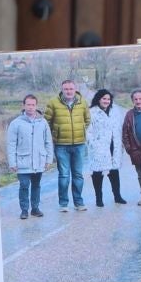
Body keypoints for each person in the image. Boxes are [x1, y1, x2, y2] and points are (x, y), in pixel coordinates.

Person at [5, 94, 52, 220]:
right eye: (28, 105)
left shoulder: (42, 122)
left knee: (36, 185)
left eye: (33, 105)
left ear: (36, 106)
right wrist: (12, 163)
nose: (31, 107)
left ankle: (35, 209)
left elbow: (48, 142)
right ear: (23, 105)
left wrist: (48, 160)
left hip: (39, 161)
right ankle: (24, 210)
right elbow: (11, 144)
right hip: (22, 161)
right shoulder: (16, 123)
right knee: (24, 185)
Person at [45, 79, 88, 212]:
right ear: (62, 90)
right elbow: (47, 122)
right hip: (61, 145)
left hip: (79, 145)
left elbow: (87, 120)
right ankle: (63, 204)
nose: (68, 91)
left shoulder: (83, 102)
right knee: (64, 175)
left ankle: (79, 202)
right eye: (66, 89)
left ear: (75, 89)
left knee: (78, 175)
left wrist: (80, 130)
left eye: (71, 89)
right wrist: (55, 134)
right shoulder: (53, 102)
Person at [83, 88, 126, 208]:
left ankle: (117, 196)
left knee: (114, 170)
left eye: (108, 99)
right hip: (99, 146)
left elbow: (120, 126)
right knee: (97, 172)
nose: (106, 101)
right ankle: (99, 198)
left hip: (114, 144)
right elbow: (87, 130)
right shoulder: (91, 112)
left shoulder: (115, 111)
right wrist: (93, 143)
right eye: (104, 99)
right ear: (98, 99)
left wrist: (121, 142)